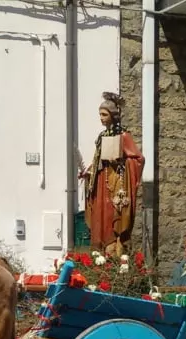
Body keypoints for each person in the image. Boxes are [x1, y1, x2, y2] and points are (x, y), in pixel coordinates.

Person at [79, 92, 145, 258]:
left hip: (116, 183)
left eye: (104, 114)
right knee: (100, 217)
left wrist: (121, 162)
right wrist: (89, 172)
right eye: (99, 114)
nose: (101, 118)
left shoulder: (123, 135)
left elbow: (138, 159)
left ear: (113, 115)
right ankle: (100, 253)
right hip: (101, 182)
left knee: (112, 217)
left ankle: (114, 252)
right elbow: (97, 159)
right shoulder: (102, 136)